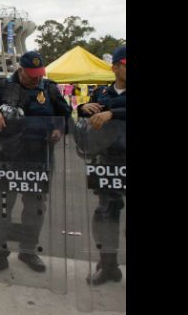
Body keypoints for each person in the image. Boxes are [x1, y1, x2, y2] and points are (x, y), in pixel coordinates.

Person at [0, 51, 72, 276]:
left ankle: (28, 250)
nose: (36, 78)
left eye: (39, 73)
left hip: (39, 157)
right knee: (1, 205)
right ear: (20, 70)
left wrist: (59, 129)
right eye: (31, 74)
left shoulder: (49, 89)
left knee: (35, 207)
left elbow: (66, 115)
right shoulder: (4, 86)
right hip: (9, 157)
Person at [77, 45, 126, 285]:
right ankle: (108, 266)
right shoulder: (102, 93)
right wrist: (82, 108)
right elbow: (86, 116)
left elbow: (111, 115)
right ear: (115, 67)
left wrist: (112, 114)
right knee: (106, 213)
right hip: (107, 159)